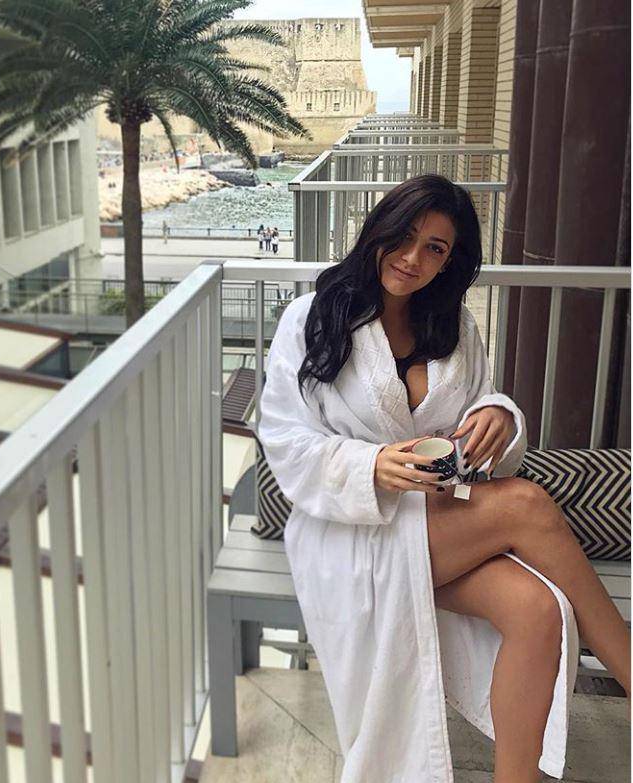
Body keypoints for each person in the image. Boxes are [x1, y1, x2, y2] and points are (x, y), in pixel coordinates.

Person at [257, 174, 631, 782]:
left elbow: (481, 411)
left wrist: (498, 416)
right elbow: (283, 438)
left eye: (434, 248)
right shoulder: (312, 319)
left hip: (439, 522)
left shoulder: (453, 327)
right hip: (352, 530)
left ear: (450, 260)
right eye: (404, 237)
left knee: (539, 610)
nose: (412, 258)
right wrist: (369, 466)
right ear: (377, 230)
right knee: (525, 505)